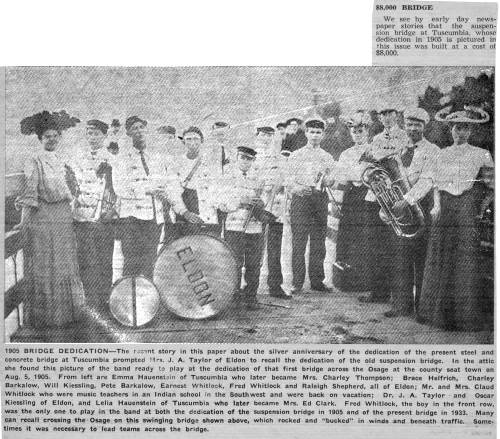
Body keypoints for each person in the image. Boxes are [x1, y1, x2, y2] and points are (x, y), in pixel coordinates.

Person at [418, 106, 493, 331]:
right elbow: (435, 185)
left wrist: (480, 208)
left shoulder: (481, 154)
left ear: (471, 130)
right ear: (451, 130)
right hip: (445, 207)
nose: (462, 132)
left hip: (466, 207)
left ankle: (463, 317)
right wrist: (437, 205)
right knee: (441, 254)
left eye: (466, 128)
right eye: (458, 128)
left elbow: (492, 186)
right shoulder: (441, 154)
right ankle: (436, 314)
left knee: (464, 259)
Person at [14, 110, 85, 328]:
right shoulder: (34, 161)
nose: (52, 139)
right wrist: (24, 221)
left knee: (64, 262)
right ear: (40, 139)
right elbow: (30, 194)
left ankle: (66, 316)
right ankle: (46, 318)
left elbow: (73, 190)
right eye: (47, 137)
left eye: (55, 135)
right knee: (46, 264)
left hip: (63, 217)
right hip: (44, 218)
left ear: (60, 137)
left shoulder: (64, 161)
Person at [383, 108, 441, 318]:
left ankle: (422, 309)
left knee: (421, 258)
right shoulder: (398, 149)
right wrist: (387, 205)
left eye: (417, 124)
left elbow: (427, 180)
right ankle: (401, 306)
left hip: (420, 208)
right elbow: (389, 178)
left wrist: (406, 200)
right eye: (409, 124)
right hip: (399, 208)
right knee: (400, 257)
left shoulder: (433, 150)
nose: (413, 128)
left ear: (424, 127)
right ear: (404, 125)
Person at [112, 116, 177, 279]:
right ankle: (129, 300)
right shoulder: (122, 159)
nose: (139, 131)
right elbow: (120, 188)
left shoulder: (155, 157)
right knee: (131, 262)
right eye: (135, 128)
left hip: (154, 217)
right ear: (128, 133)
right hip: (132, 218)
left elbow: (167, 181)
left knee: (150, 262)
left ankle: (147, 300)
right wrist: (149, 189)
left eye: (141, 127)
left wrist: (164, 191)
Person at [287, 118, 337, 294]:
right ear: (306, 133)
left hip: (319, 199)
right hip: (301, 200)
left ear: (323, 135)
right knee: (299, 242)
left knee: (318, 242)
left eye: (318, 132)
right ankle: (297, 282)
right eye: (312, 132)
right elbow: (288, 181)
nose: (315, 135)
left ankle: (317, 281)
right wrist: (298, 188)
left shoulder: (327, 157)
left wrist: (329, 180)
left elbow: (332, 180)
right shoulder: (296, 155)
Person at [71, 119, 116, 310]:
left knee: (105, 258)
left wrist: (112, 210)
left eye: (97, 133)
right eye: (89, 133)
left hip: (104, 216)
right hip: (82, 216)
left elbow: (118, 190)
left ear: (104, 136)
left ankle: (105, 300)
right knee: (85, 259)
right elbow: (73, 186)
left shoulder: (114, 158)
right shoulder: (77, 158)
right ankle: (90, 302)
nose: (93, 137)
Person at [219, 146, 266, 310]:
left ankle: (251, 296)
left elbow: (265, 200)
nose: (245, 161)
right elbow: (222, 204)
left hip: (254, 227)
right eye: (243, 158)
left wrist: (260, 203)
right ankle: (234, 294)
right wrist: (240, 202)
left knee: (253, 263)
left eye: (249, 159)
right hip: (235, 225)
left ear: (253, 161)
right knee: (234, 262)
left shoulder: (259, 179)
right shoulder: (227, 178)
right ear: (237, 158)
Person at [333, 111, 375, 292]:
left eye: (361, 130)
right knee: (349, 236)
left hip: (369, 196)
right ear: (350, 133)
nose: (358, 134)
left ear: (367, 131)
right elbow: (342, 178)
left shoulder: (374, 150)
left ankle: (366, 281)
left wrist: (356, 173)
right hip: (351, 196)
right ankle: (348, 280)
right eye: (354, 131)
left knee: (366, 237)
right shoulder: (346, 154)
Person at [254, 126, 290, 299]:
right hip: (255, 209)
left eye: (270, 135)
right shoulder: (251, 157)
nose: (266, 139)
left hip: (275, 209)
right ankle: (246, 287)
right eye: (263, 135)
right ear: (257, 136)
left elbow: (285, 181)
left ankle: (275, 286)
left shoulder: (281, 159)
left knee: (274, 250)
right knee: (254, 248)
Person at [168, 126, 223, 237]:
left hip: (207, 213)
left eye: (196, 139)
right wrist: (185, 212)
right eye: (188, 139)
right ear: (183, 141)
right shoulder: (176, 163)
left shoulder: (211, 163)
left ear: (201, 141)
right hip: (185, 212)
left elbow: (218, 190)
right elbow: (173, 192)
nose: (192, 142)